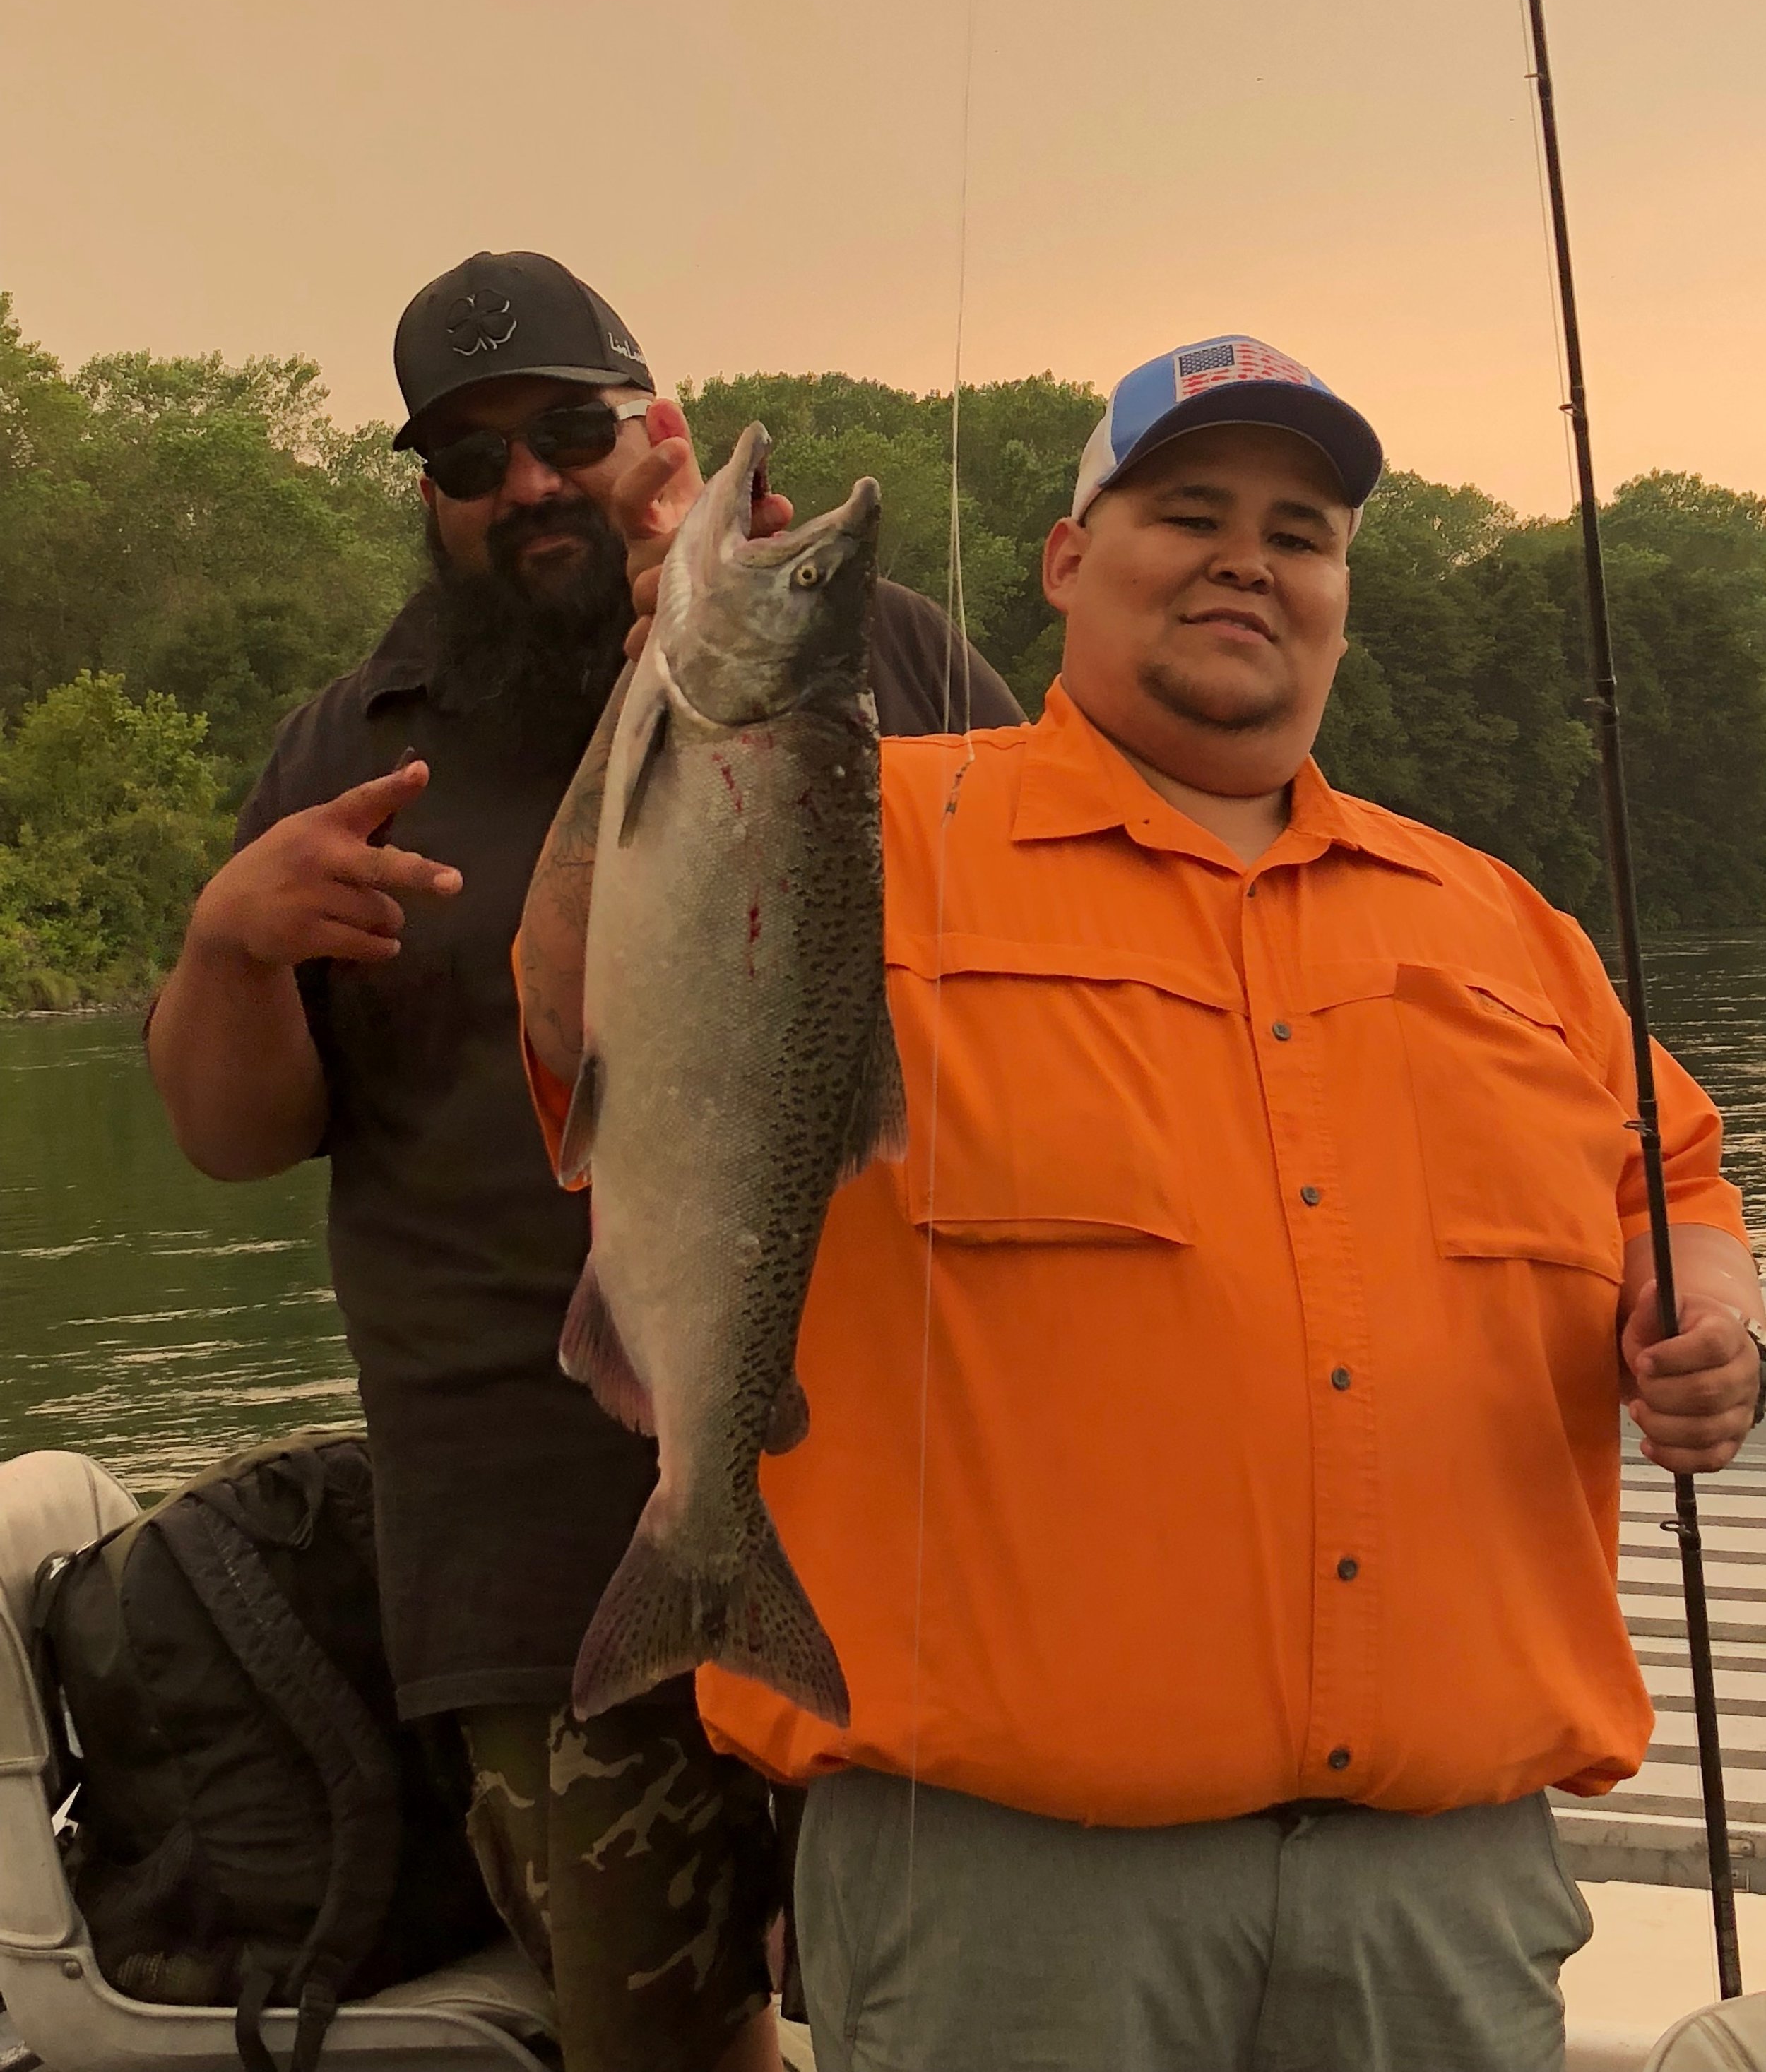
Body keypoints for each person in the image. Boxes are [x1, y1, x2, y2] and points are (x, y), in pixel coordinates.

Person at [518, 333, 1766, 2072]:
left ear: (1339, 588)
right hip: (1009, 1905)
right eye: (1184, 511)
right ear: (1062, 560)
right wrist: (669, 670)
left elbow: (1676, 1173)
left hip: (1444, 1895)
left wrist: (1710, 1303)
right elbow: (583, 989)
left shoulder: (1498, 920)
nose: (1246, 555)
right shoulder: (843, 826)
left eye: (1300, 528)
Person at [145, 249, 1022, 2072]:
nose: (532, 481)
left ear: (664, 431)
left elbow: (1074, 977)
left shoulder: (884, 659)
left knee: (972, 2022)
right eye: (473, 460)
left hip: (928, 1510)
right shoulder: (348, 742)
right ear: (429, 499)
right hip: (544, 1575)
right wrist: (232, 944)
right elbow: (234, 1139)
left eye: (570, 427)